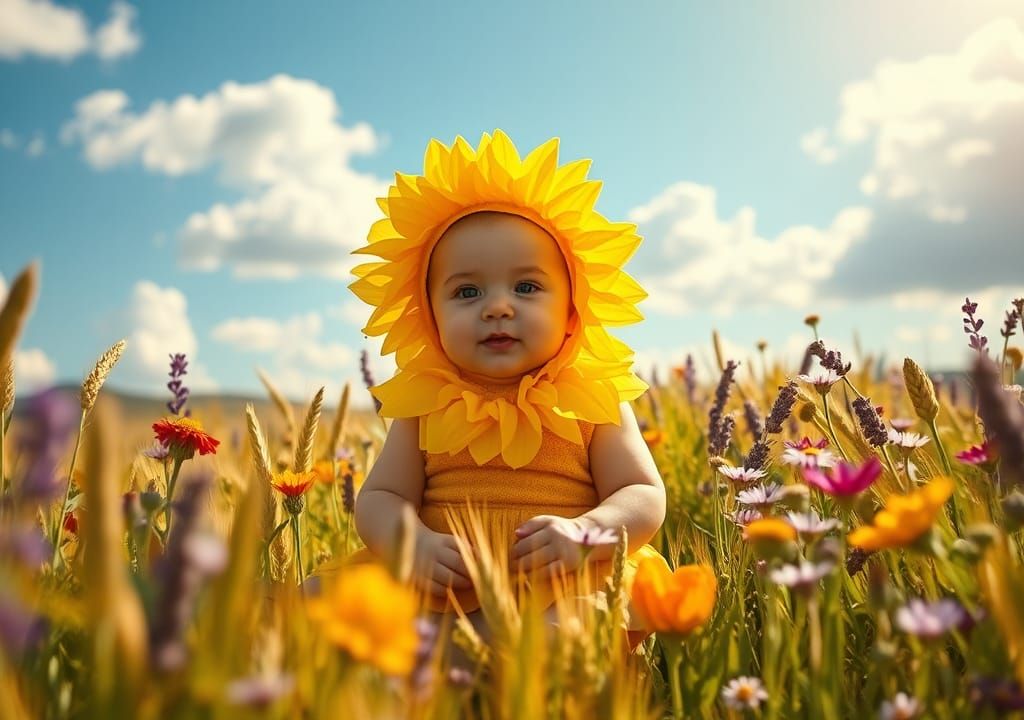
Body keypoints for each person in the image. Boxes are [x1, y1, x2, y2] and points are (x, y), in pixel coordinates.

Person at [349, 130, 666, 626]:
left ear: (573, 309)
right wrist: (410, 546)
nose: (498, 306)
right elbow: (380, 497)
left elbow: (642, 495)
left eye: (526, 286)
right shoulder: (425, 402)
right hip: (445, 586)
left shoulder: (592, 396)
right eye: (467, 292)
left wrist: (589, 532)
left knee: (566, 636)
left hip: (563, 583)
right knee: (340, 612)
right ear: (429, 317)